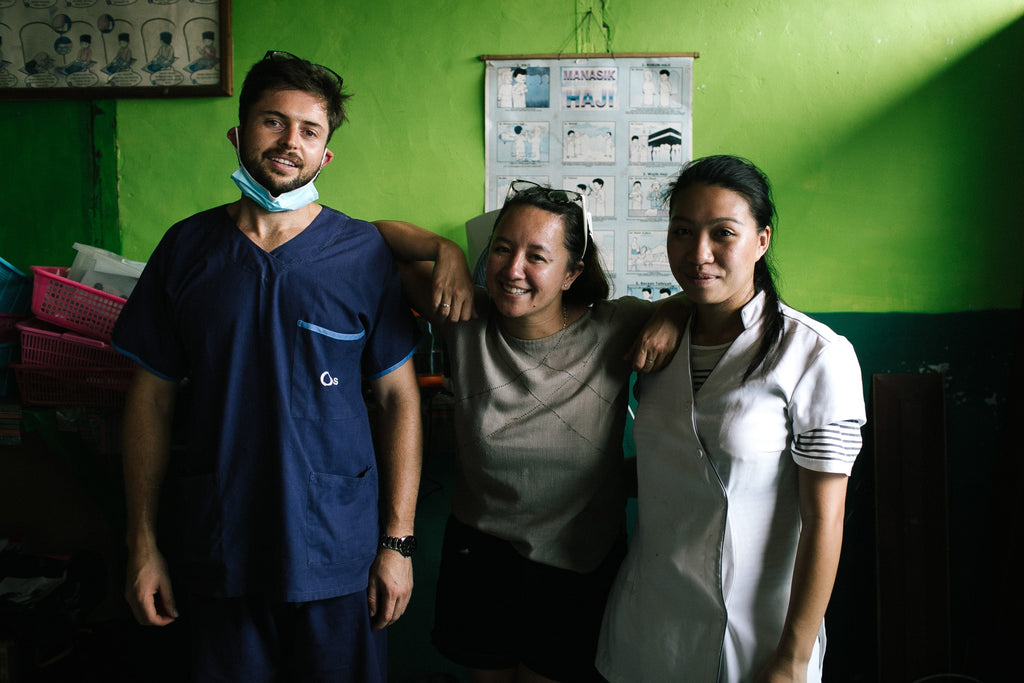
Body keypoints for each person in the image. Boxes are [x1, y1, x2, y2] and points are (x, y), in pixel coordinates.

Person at [112, 51, 422, 682]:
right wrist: (142, 543)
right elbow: (150, 400)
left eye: (310, 131)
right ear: (239, 132)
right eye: (272, 122)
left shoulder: (360, 253)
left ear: (326, 154)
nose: (290, 142)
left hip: (336, 553)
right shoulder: (188, 249)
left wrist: (396, 543)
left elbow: (399, 401)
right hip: (218, 545)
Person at [373, 180, 688, 683]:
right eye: (502, 248)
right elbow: (375, 239)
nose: (512, 269)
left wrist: (672, 312)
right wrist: (445, 250)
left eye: (537, 256)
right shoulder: (465, 318)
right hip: (481, 555)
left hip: (578, 562)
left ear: (572, 273)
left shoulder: (614, 327)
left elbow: (707, 301)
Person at [596, 155, 866, 682]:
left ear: (762, 240)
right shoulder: (658, 346)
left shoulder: (815, 356)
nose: (699, 253)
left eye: (723, 233)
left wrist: (792, 656)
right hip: (649, 624)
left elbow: (824, 522)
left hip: (758, 635)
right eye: (682, 231)